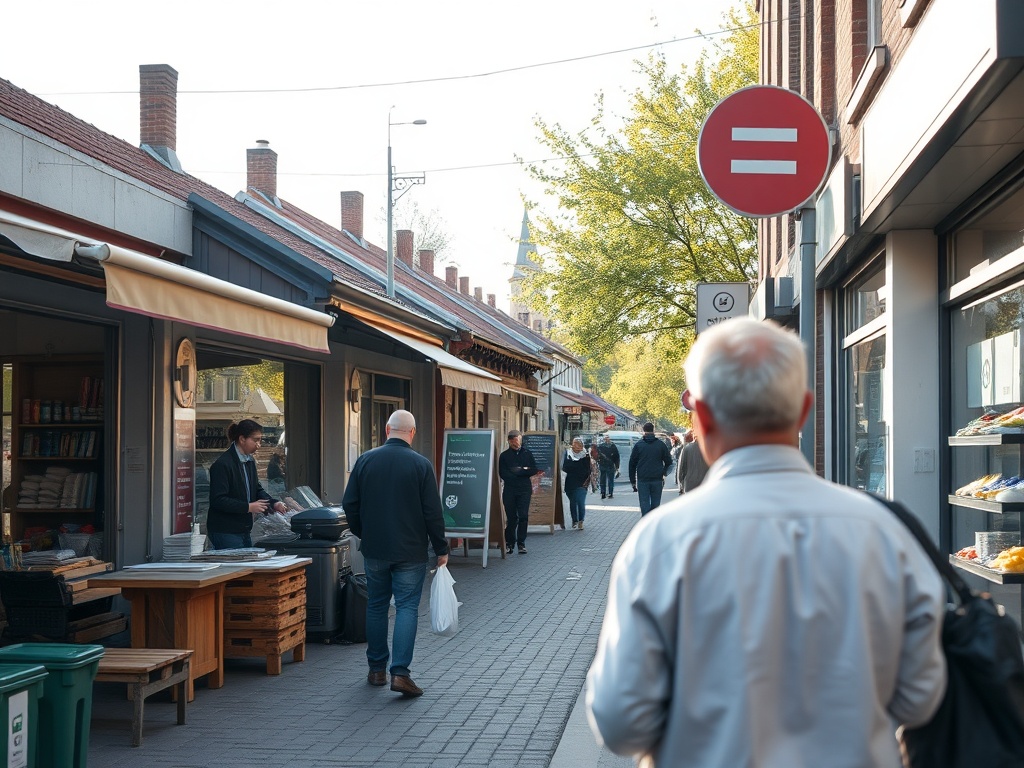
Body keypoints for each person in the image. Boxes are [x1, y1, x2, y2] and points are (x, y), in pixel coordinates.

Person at [587, 318, 946, 767]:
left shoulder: (661, 543)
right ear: (803, 409)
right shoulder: (883, 531)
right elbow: (920, 698)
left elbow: (620, 722)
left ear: (699, 417)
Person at [342, 409, 449, 698]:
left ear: (387, 430)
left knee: (376, 605)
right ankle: (400, 673)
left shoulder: (365, 460)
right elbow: (432, 512)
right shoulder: (420, 464)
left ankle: (376, 669)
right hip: (411, 549)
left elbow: (349, 503)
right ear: (412, 433)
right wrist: (441, 548)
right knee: (406, 608)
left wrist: (364, 531)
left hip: (376, 548)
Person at [207, 419, 287, 549]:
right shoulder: (223, 464)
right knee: (238, 568)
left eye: (260, 440)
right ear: (242, 439)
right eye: (255, 440)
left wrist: (274, 503)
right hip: (225, 530)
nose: (259, 445)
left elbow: (256, 489)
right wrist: (248, 507)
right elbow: (218, 500)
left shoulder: (250, 461)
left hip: (243, 529)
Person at [498, 429, 541, 554]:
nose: (513, 442)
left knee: (523, 516)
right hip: (510, 489)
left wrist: (518, 471)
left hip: (524, 489)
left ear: (520, 439)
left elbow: (533, 470)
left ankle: (521, 543)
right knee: (512, 517)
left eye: (515, 439)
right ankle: (509, 542)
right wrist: (518, 473)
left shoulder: (527, 454)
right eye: (511, 440)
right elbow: (503, 473)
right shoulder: (504, 456)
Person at [627, 422, 672, 515]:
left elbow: (632, 464)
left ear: (644, 431)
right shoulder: (661, 445)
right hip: (657, 479)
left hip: (643, 479)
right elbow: (669, 462)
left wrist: (632, 481)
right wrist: (663, 473)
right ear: (653, 430)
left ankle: (646, 524)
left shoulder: (638, 445)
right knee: (655, 506)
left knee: (644, 506)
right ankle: (653, 523)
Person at [562, 437, 591, 530]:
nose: (576, 445)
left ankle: (581, 521)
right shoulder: (568, 453)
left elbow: (588, 469)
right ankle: (574, 520)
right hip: (570, 482)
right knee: (573, 502)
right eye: (574, 443)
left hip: (582, 483)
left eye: (578, 444)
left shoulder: (585, 455)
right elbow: (565, 467)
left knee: (581, 502)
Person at [596, 434, 620, 499]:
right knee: (609, 480)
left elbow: (616, 457)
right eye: (606, 439)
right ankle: (609, 493)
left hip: (605, 465)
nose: (607, 440)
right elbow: (617, 457)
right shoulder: (612, 446)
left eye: (607, 438)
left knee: (604, 479)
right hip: (609, 465)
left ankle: (604, 492)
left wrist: (617, 466)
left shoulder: (600, 446)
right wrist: (617, 466)